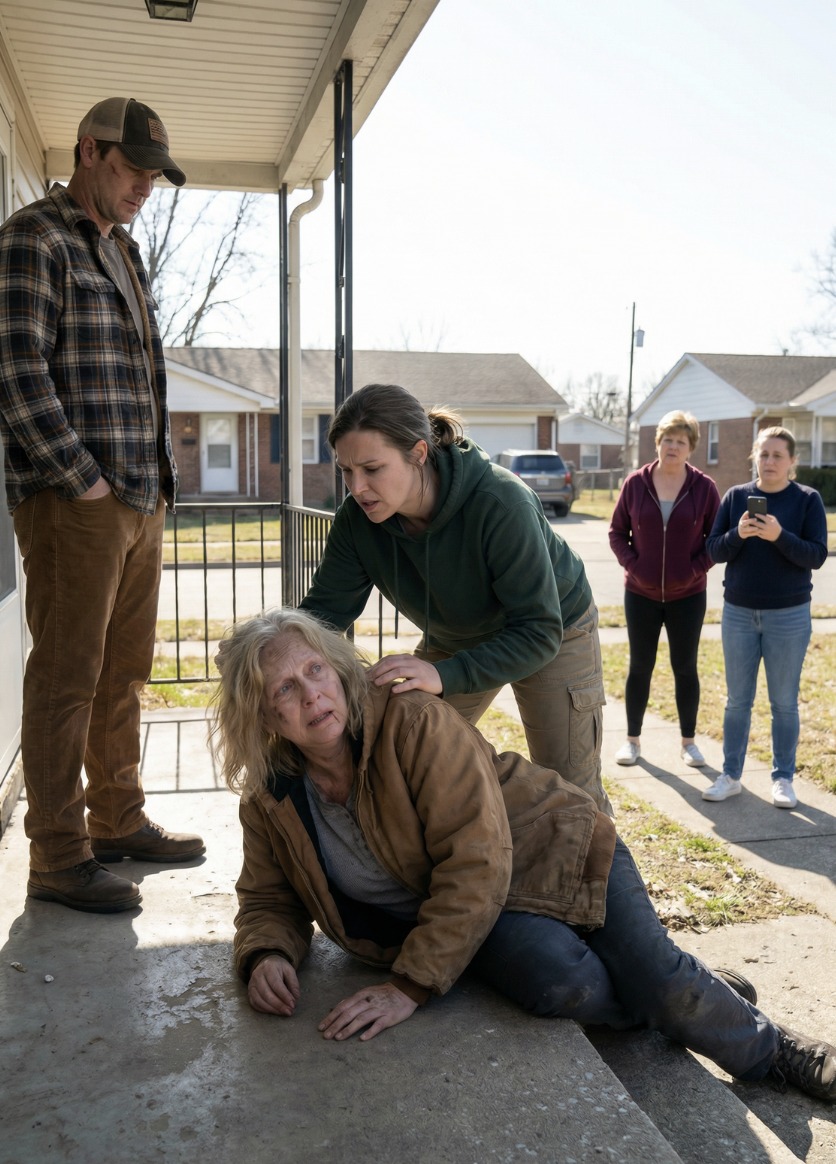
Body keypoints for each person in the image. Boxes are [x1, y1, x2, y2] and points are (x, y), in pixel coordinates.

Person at [212, 608, 836, 1104]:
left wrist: (409, 985)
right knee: (563, 984)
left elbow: (475, 859)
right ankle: (678, 995)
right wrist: (266, 953)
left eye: (316, 670)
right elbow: (267, 896)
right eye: (285, 688)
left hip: (556, 848)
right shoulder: (272, 796)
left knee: (660, 976)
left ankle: (775, 1051)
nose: (311, 695)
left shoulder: (411, 722)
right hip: (478, 913)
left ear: (337, 668)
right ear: (263, 715)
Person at [0, 97, 205, 914]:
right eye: (132, 169)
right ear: (89, 151)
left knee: (123, 672)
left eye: (155, 176)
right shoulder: (35, 237)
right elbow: (14, 369)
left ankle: (116, 817)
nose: (145, 187)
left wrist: (154, 485)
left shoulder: (124, 250)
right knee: (66, 677)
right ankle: (57, 855)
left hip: (139, 496)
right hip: (74, 501)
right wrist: (79, 478)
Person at [299, 382, 612, 817]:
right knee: (404, 754)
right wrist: (266, 645)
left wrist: (444, 673)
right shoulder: (357, 520)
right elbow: (323, 613)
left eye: (372, 468)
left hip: (553, 630)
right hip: (457, 634)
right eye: (346, 471)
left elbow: (539, 631)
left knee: (570, 789)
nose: (357, 487)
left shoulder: (501, 502)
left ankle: (601, 862)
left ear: (419, 453)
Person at [704, 427, 827, 808]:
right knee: (737, 702)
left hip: (789, 615)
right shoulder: (735, 497)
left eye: (777, 455)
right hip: (739, 613)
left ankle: (783, 779)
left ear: (792, 461)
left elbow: (816, 555)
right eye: (764, 454)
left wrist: (778, 535)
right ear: (754, 457)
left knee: (784, 703)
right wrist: (738, 534)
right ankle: (730, 776)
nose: (770, 461)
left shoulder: (807, 500)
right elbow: (714, 550)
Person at [608, 410, 720, 768]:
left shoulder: (704, 488)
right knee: (640, 666)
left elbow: (715, 540)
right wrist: (635, 566)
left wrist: (692, 571)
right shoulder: (635, 484)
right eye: (667, 440)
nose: (673, 447)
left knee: (685, 667)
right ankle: (632, 740)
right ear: (657, 443)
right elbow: (617, 533)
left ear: (691, 448)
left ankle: (689, 743)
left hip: (689, 595)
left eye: (680, 442)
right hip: (640, 594)